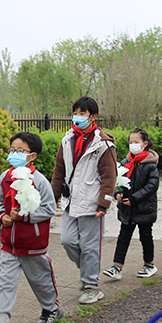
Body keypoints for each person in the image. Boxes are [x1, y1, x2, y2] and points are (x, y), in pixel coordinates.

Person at [0, 132, 60, 323]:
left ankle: (51, 309)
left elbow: (49, 208)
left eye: (20, 151)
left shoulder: (39, 180)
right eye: (12, 150)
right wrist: (3, 217)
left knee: (40, 280)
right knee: (5, 283)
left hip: (33, 245)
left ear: (32, 156)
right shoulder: (5, 177)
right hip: (9, 244)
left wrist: (25, 216)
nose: (14, 154)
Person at [51, 97, 117, 304]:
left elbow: (109, 176)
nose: (77, 117)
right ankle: (88, 273)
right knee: (67, 240)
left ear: (93, 116)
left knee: (90, 246)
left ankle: (91, 286)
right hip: (71, 201)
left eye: (82, 113)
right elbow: (58, 172)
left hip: (91, 202)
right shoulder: (67, 139)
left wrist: (103, 203)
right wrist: (52, 199)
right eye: (76, 112)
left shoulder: (103, 144)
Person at [103, 128, 160, 279]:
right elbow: (118, 180)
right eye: (131, 142)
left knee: (145, 236)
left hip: (143, 208)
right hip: (127, 209)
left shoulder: (150, 165)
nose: (133, 145)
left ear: (145, 144)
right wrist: (117, 193)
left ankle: (149, 264)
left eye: (136, 142)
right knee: (123, 237)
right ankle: (117, 267)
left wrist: (135, 198)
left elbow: (151, 186)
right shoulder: (125, 162)